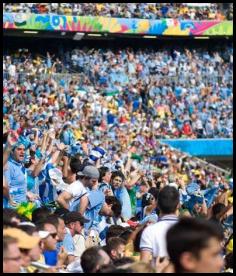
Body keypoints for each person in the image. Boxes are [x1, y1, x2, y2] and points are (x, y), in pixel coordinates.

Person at [140, 186, 179, 264]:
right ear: (178, 205)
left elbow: (143, 265)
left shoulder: (149, 231)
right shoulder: (188, 229)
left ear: (158, 205)